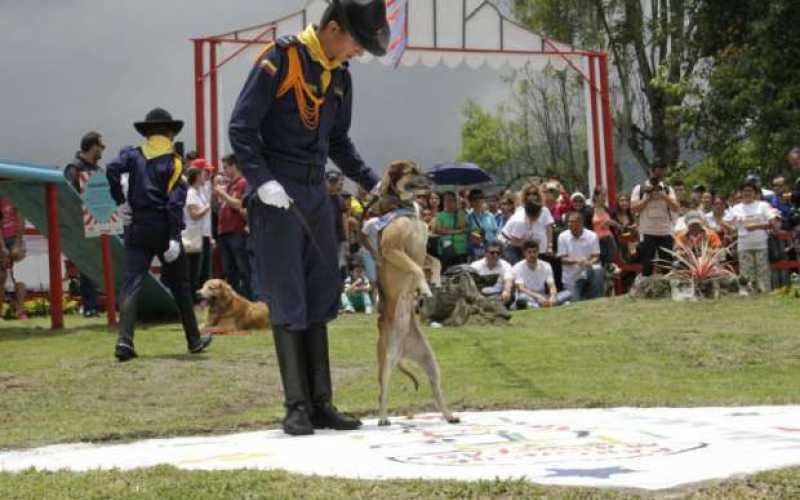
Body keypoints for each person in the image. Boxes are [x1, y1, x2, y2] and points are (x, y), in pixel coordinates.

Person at [229, 0, 388, 436]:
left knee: (320, 293)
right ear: (334, 29)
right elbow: (241, 127)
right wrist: (261, 181)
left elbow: (337, 139)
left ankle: (322, 403)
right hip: (277, 191)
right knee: (288, 295)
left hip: (316, 190)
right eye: (356, 42)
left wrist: (371, 181)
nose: (358, 52)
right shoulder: (279, 59)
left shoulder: (339, 74)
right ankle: (296, 405)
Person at [106, 108, 212, 362]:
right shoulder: (175, 162)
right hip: (164, 229)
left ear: (148, 133)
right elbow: (175, 203)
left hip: (137, 227)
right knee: (181, 285)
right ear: (170, 133)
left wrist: (122, 202)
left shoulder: (132, 155)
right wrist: (174, 237)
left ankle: (124, 341)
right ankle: (194, 340)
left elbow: (111, 169)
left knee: (132, 283)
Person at [64, 131, 105, 317]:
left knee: (99, 264)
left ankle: (97, 304)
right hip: (80, 225)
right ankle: (89, 306)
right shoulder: (74, 168)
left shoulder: (98, 170)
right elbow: (69, 198)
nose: (103, 149)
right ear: (93, 146)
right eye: (101, 145)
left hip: (99, 224)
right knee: (87, 266)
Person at [724, 180, 781, 293]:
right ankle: (749, 296)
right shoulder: (736, 208)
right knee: (746, 274)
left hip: (761, 245)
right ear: (740, 193)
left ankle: (764, 295)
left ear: (755, 193)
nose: (747, 193)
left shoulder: (762, 205)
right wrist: (732, 228)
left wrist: (757, 226)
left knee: (762, 273)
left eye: (750, 191)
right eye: (744, 191)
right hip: (744, 246)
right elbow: (725, 222)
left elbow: (773, 223)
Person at [630, 163, 679, 275]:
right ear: (652, 172)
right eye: (658, 171)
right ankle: (646, 291)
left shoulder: (667, 189)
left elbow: (676, 208)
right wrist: (648, 198)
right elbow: (633, 208)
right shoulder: (640, 189)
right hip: (647, 232)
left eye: (663, 171)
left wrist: (663, 196)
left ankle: (667, 290)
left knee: (666, 267)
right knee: (647, 266)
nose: (660, 174)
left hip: (665, 232)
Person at [214, 154, 252, 300]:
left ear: (234, 166)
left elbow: (239, 204)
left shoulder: (242, 183)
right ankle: (235, 302)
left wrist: (223, 194)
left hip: (236, 231)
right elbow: (220, 208)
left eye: (226, 167)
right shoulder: (229, 185)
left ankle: (250, 299)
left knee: (243, 268)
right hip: (224, 232)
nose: (224, 171)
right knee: (229, 270)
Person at [558, 211, 604, 301]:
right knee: (575, 301)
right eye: (569, 222)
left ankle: (596, 299)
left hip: (588, 271)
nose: (569, 224)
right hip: (572, 277)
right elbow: (562, 259)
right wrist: (577, 261)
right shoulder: (562, 236)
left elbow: (596, 256)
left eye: (572, 222)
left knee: (598, 269)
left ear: (580, 223)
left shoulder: (592, 236)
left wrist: (589, 263)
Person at [512, 240, 571, 309]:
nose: (532, 255)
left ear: (538, 252)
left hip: (543, 296)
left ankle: (541, 305)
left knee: (568, 293)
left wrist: (553, 296)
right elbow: (521, 288)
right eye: (529, 252)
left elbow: (551, 285)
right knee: (522, 298)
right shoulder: (517, 267)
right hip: (529, 296)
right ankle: (548, 305)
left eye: (534, 252)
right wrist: (537, 296)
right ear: (524, 253)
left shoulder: (546, 265)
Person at [183, 166, 213, 298]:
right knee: (194, 269)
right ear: (196, 177)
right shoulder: (191, 193)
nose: (204, 177)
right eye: (202, 174)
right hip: (194, 235)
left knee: (204, 269)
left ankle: (201, 298)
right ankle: (191, 298)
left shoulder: (199, 191)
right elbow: (194, 215)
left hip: (203, 235)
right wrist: (207, 207)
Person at [0, 198, 28, 320]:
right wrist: (2, 248)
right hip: (2, 239)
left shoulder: (15, 194)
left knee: (20, 274)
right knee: (1, 276)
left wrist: (18, 243)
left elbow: (21, 218)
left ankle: (20, 311)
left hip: (14, 238)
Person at [470, 241, 514, 308]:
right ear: (485, 253)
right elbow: (470, 283)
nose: (495, 255)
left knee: (510, 296)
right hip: (480, 295)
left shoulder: (505, 265)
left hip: (499, 295)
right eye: (492, 252)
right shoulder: (475, 266)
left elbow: (508, 280)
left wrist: (507, 291)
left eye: (498, 253)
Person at [434, 191, 469, 268]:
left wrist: (459, 210)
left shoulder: (461, 214)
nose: (448, 202)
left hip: (461, 248)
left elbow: (464, 228)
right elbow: (439, 230)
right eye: (446, 200)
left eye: (451, 200)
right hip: (447, 249)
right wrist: (457, 231)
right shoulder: (440, 215)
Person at [466, 189, 499, 262]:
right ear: (470, 201)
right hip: (476, 250)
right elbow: (468, 234)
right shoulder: (468, 217)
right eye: (474, 198)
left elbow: (495, 232)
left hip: (492, 249)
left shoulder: (490, 216)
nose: (478, 200)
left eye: (480, 197)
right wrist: (478, 234)